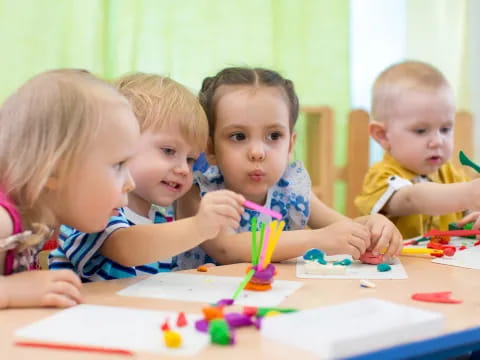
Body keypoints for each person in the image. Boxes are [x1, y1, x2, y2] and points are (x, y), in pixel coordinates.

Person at [177, 67, 402, 264]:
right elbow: (228, 248)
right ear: (211, 148)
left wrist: (373, 226)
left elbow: (341, 227)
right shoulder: (197, 191)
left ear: (290, 144)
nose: (257, 152)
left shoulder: (291, 189)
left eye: (274, 136)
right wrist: (318, 239)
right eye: (238, 136)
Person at [49, 73, 245, 281]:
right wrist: (198, 226)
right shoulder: (94, 210)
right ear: (119, 143)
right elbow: (125, 249)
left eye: (190, 159)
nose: (183, 170)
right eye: (168, 151)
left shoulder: (160, 220)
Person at [0, 69, 140, 308]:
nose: (131, 183)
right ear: (55, 170)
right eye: (118, 165)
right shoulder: (3, 219)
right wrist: (10, 290)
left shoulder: (38, 221)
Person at [355, 60, 480, 239]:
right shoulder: (381, 177)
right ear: (382, 135)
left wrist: (473, 217)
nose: (437, 141)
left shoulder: (452, 175)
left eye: (445, 129)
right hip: (397, 266)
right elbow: (411, 199)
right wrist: (467, 194)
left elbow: (466, 211)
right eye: (421, 131)